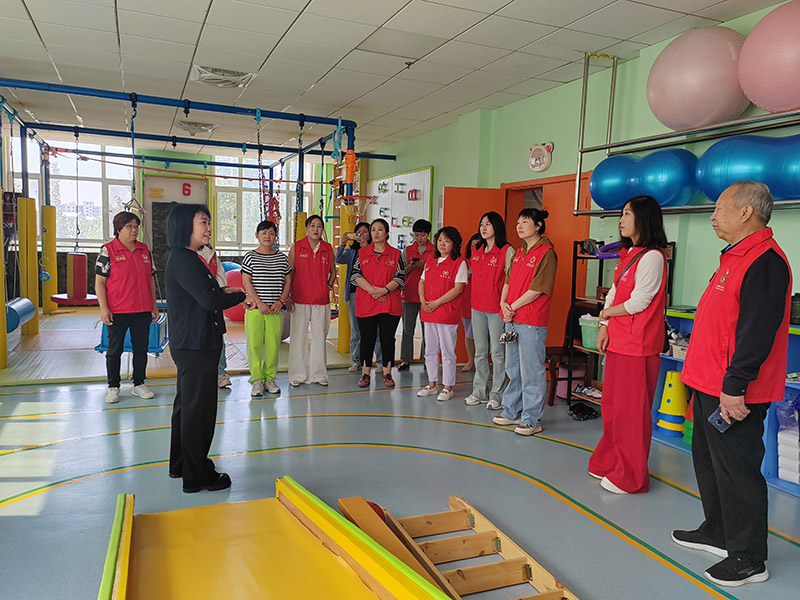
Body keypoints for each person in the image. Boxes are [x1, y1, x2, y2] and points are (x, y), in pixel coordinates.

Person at [672, 182, 791, 587]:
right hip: (708, 381)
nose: (713, 215)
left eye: (720, 208)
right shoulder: (733, 256)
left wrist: (736, 384)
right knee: (709, 462)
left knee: (738, 470)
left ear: (746, 213)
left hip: (733, 389)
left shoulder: (765, 261)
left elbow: (757, 331)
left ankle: (748, 557)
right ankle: (719, 531)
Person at [588, 196, 668, 495]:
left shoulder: (653, 257)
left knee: (632, 413)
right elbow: (613, 294)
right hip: (620, 341)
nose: (621, 220)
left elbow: (639, 302)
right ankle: (610, 461)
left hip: (638, 345)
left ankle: (631, 475)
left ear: (643, 219)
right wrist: (604, 325)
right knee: (613, 408)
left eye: (626, 214)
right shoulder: (629, 254)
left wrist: (606, 314)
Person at [165, 203, 247, 493]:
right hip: (196, 344)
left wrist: (225, 291)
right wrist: (242, 296)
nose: (208, 228)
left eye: (208, 222)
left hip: (192, 342)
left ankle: (181, 465)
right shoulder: (185, 260)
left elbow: (206, 293)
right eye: (203, 222)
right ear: (185, 226)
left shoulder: (187, 258)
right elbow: (210, 301)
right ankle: (197, 475)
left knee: (187, 407)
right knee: (198, 411)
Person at [492, 209, 557, 435]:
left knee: (532, 371)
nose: (519, 226)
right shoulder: (519, 253)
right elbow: (508, 282)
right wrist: (503, 304)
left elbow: (537, 289)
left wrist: (511, 307)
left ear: (538, 225)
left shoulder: (547, 253)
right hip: (512, 319)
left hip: (531, 321)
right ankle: (511, 411)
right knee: (513, 368)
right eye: (518, 222)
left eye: (525, 222)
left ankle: (531, 418)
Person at [95, 211, 158, 404]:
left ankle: (139, 384)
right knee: (115, 350)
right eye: (129, 226)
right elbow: (99, 283)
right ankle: (113, 386)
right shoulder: (108, 250)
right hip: (118, 310)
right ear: (118, 229)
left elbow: (150, 280)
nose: (134, 230)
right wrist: (104, 308)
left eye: (136, 226)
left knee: (141, 349)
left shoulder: (144, 250)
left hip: (142, 309)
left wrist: (154, 305)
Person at [465, 212, 515, 409]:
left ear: (497, 226)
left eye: (488, 224)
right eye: (481, 224)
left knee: (498, 353)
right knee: (480, 352)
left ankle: (497, 394)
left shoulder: (506, 250)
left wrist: (507, 305)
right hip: (477, 307)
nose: (483, 228)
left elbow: (512, 280)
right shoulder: (476, 250)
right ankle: (479, 391)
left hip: (497, 310)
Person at [351, 218, 404, 388]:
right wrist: (373, 291)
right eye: (373, 229)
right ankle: (365, 374)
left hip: (389, 302)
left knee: (387, 339)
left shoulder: (396, 254)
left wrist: (384, 290)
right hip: (367, 302)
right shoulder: (362, 253)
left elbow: (400, 277)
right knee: (367, 339)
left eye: (380, 229)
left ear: (387, 233)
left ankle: (387, 373)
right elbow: (355, 275)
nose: (376, 233)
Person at [241, 220, 292, 396]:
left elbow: (288, 280)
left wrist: (281, 301)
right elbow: (246, 281)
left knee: (273, 345)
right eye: (264, 233)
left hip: (275, 310)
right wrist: (259, 303)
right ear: (257, 236)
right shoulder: (250, 257)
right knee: (254, 345)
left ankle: (269, 378)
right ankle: (256, 380)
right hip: (255, 309)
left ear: (275, 236)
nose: (267, 236)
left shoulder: (281, 258)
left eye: (271, 233)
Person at [417, 226, 467, 402]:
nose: (442, 244)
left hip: (446, 313)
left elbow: (458, 288)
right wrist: (423, 299)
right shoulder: (431, 260)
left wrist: (437, 302)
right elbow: (422, 281)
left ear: (454, 244)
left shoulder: (459, 263)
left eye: (447, 241)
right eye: (440, 240)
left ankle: (448, 387)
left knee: (447, 351)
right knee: (430, 350)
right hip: (428, 312)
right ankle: (431, 384)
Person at [287, 215, 336, 387]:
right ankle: (297, 374)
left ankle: (319, 374)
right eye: (312, 226)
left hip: (321, 301)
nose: (316, 229)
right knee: (298, 338)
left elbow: (333, 272)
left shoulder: (328, 248)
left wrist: (327, 286)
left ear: (322, 229)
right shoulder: (297, 247)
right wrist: (287, 295)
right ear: (306, 229)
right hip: (299, 299)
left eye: (319, 226)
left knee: (319, 338)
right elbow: (289, 273)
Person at [335, 221, 382, 372]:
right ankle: (356, 361)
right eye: (358, 232)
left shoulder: (376, 251)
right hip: (355, 293)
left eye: (365, 232)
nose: (361, 234)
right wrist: (342, 245)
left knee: (375, 329)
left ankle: (380, 361)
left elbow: (378, 267)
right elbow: (338, 259)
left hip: (372, 293)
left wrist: (366, 248)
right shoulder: (351, 252)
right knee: (356, 329)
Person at [397, 219, 433, 370]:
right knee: (407, 330)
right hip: (409, 294)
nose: (419, 238)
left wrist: (425, 266)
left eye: (422, 235)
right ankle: (406, 360)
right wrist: (412, 267)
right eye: (416, 235)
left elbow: (437, 271)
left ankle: (427, 359)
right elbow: (401, 273)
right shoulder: (408, 250)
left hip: (428, 296)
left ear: (428, 234)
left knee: (427, 331)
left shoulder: (434, 250)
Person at [197, 243, 233, 389]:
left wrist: (224, 291)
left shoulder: (211, 252)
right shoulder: (188, 253)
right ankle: (200, 374)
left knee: (218, 338)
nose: (207, 232)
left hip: (214, 301)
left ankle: (220, 373)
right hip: (197, 302)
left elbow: (220, 274)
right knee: (199, 338)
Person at [460, 233, 481, 372]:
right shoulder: (464, 262)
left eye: (478, 245)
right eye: (473, 245)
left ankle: (481, 362)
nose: (475, 248)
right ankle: (470, 360)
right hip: (467, 301)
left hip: (483, 301)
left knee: (483, 335)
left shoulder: (485, 260)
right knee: (469, 333)